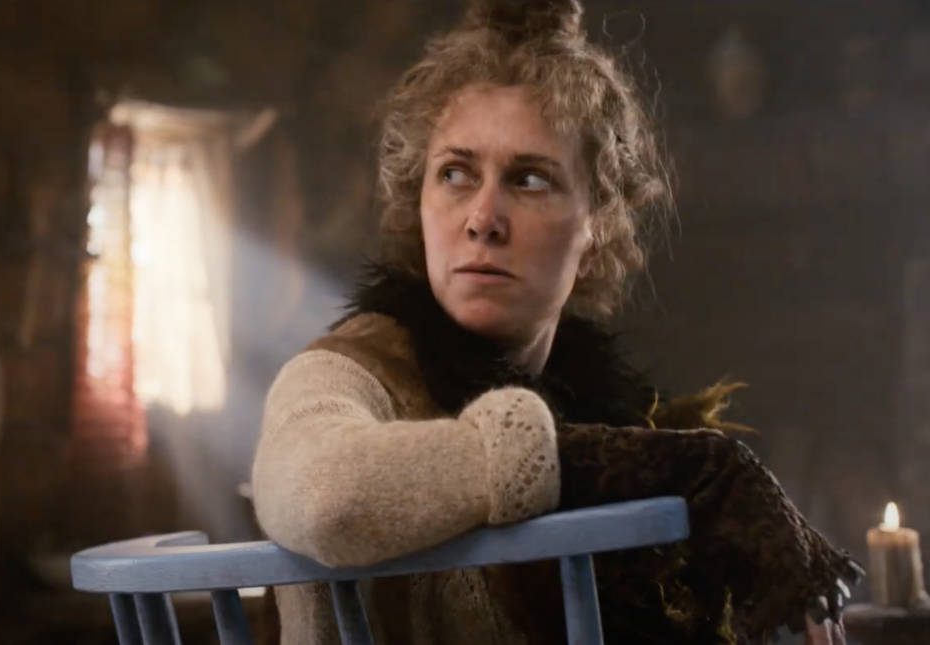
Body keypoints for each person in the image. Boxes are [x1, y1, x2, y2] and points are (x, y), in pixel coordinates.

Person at [251, 1, 860, 643]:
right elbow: (326, 497)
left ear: (596, 230)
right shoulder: (345, 372)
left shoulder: (608, 411)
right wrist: (611, 463)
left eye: (530, 180)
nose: (483, 218)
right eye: (455, 174)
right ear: (419, 202)